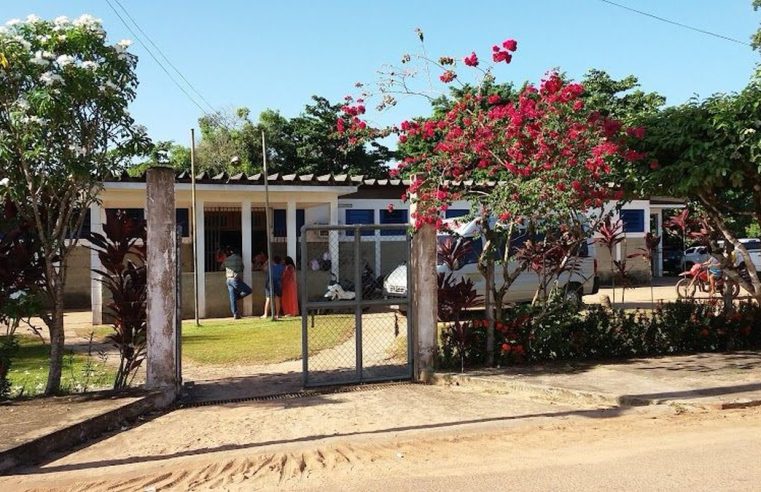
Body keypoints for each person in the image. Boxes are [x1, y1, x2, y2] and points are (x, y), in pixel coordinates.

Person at [222, 247, 252, 319]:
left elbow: (222, 267)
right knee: (248, 290)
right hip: (235, 279)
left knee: (232, 297)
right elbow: (242, 268)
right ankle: (237, 297)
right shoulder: (238, 258)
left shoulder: (226, 259)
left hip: (228, 280)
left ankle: (235, 314)